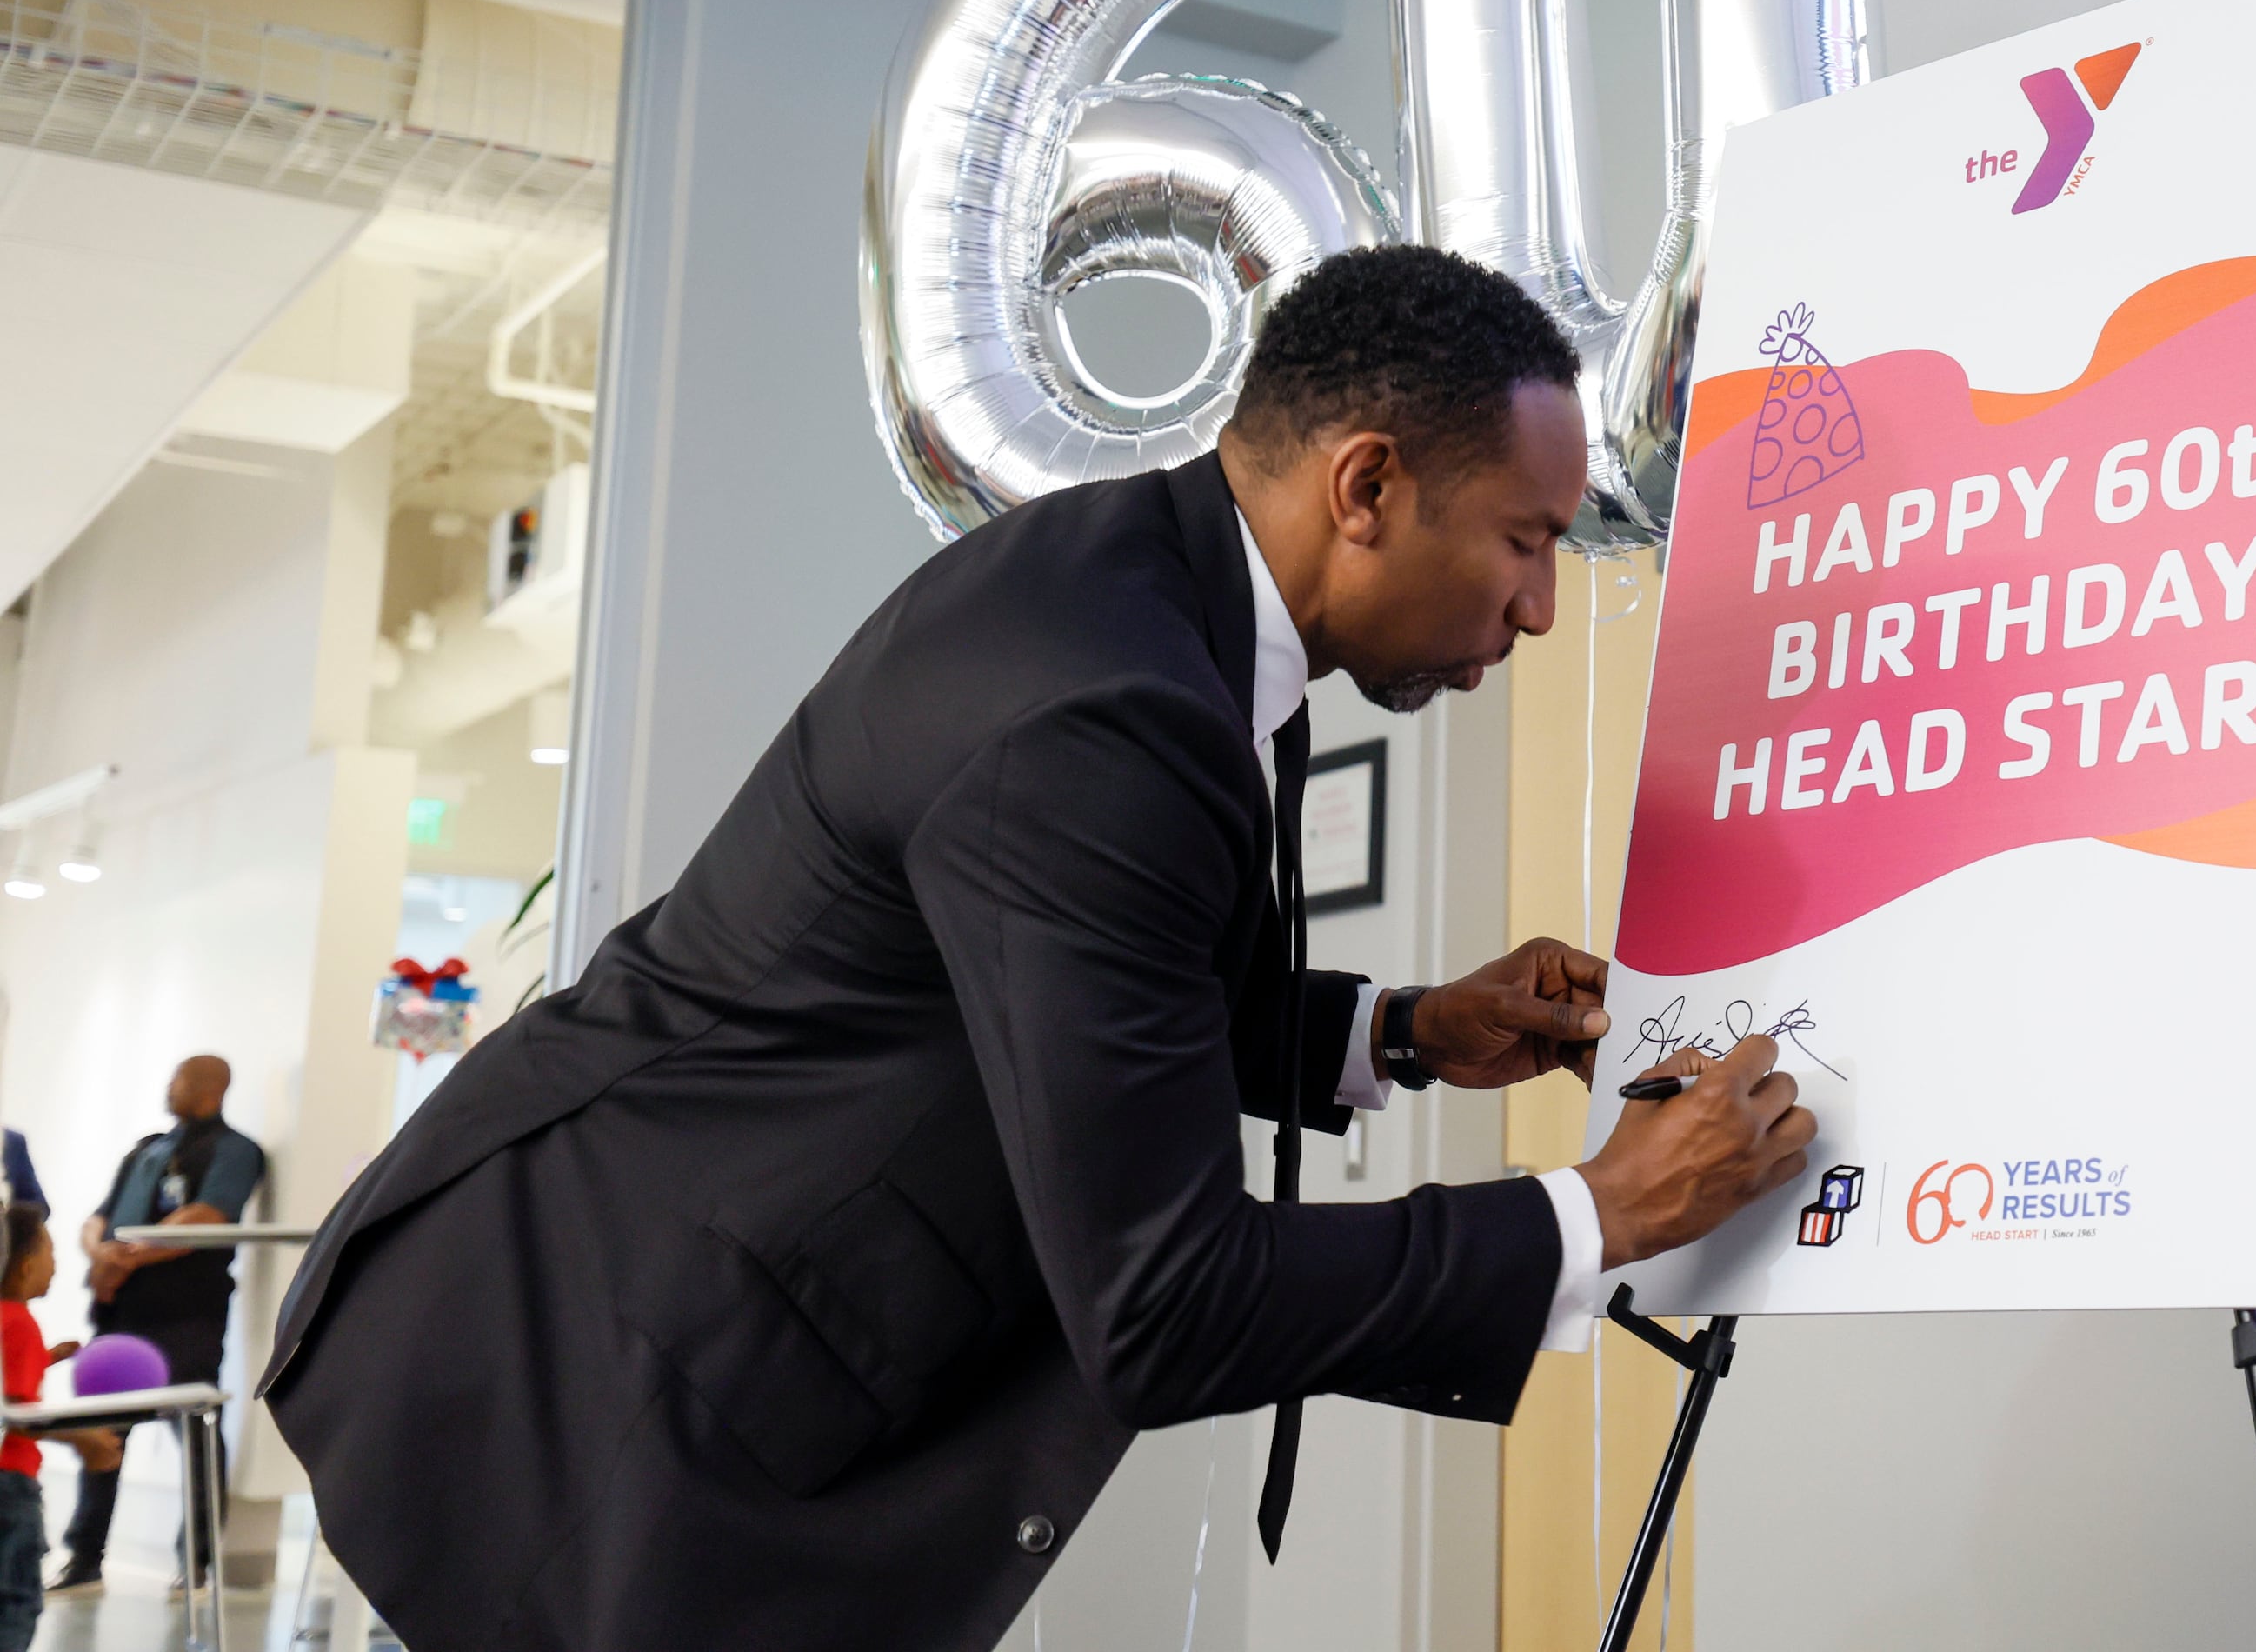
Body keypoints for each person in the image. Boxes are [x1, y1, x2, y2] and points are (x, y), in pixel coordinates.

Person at [266, 247, 1812, 1652]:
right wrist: (1599, 1210)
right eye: (1527, 542)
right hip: (585, 1390)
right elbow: (1170, 1306)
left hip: (627, 1315)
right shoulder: (1109, 710)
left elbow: (1049, 981)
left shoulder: (1149, 596)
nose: (1543, 607)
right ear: (1368, 487)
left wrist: (1394, 1033)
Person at [48, 1056, 259, 1600]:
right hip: (121, 1320)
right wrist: (103, 1252)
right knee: (103, 1436)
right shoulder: (148, 1149)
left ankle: (197, 1565)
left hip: (186, 1318)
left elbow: (206, 1218)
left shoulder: (235, 1150)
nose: (169, 1086)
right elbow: (98, 1218)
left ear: (211, 1088)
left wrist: (126, 1258)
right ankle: (84, 1558)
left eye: (179, 1079)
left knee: (196, 1437)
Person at [0, 1202, 116, 1648]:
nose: (57, 1263)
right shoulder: (21, 1325)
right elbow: (19, 1416)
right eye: (51, 1251)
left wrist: (47, 1358)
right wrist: (84, 1438)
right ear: (27, 1266)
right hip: (12, 1486)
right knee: (16, 1598)